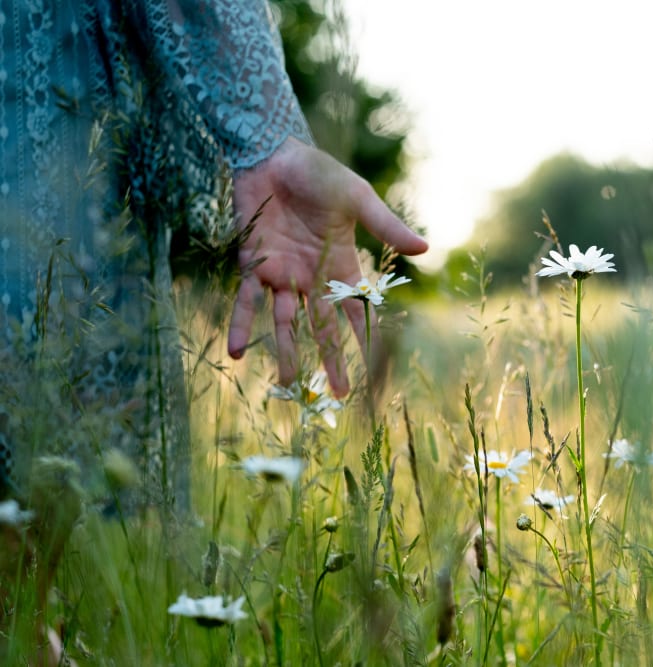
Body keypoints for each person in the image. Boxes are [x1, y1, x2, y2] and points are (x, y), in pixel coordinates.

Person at [0, 2, 426, 510]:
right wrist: (263, 132)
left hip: (42, 105)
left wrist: (267, 139)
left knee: (41, 497)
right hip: (46, 118)